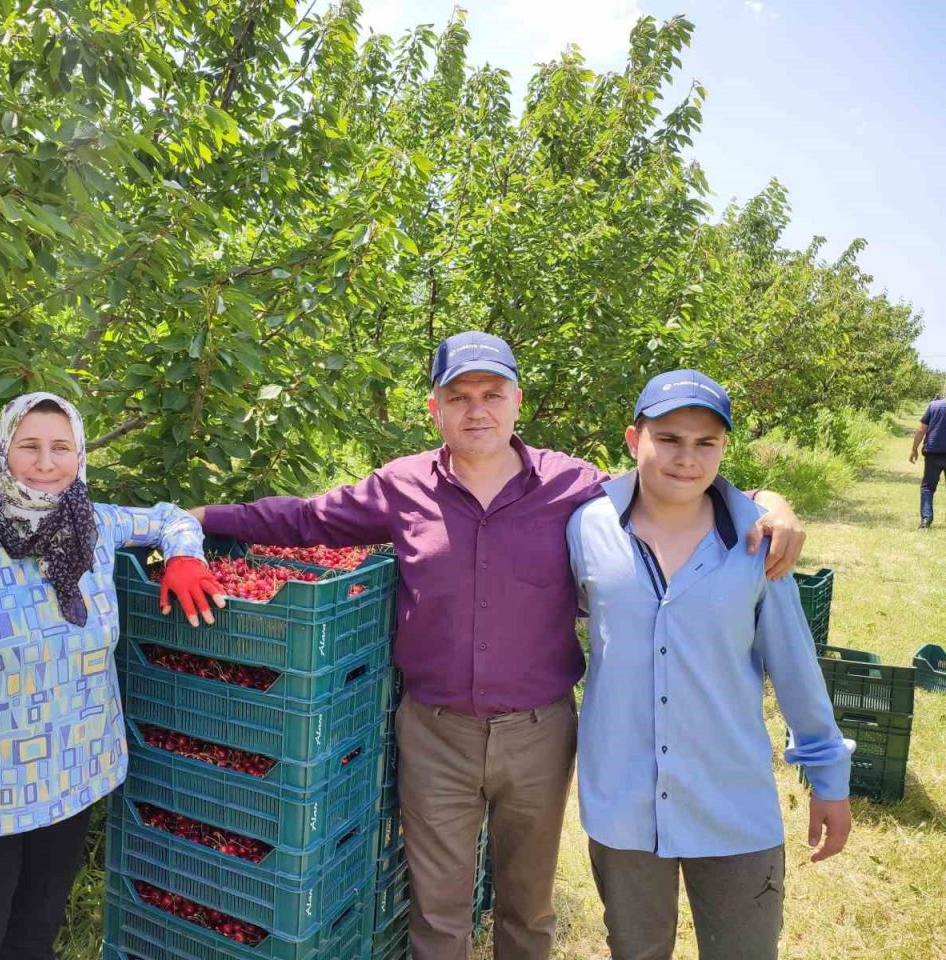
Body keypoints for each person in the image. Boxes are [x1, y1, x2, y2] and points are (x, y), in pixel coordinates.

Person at [187, 332, 806, 960]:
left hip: (539, 733)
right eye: (458, 396)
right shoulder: (403, 486)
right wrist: (200, 519)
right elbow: (306, 519)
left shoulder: (574, 488)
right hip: (435, 734)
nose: (475, 409)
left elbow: (674, 487)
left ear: (516, 402)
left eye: (491, 393)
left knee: (527, 904)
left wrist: (771, 503)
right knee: (439, 909)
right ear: (435, 408)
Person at [0, 392, 223, 960]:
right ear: (3, 451)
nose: (46, 462)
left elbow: (169, 519)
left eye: (62, 447)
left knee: (33, 943)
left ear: (80, 457)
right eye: (29, 446)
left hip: (66, 790)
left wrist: (184, 556)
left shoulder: (93, 527)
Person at [565, 370, 851, 960]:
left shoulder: (758, 541)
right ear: (632, 439)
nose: (687, 459)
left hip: (732, 802)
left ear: (724, 448)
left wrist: (828, 776)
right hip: (623, 805)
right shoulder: (587, 528)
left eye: (706, 443)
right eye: (669, 439)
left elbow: (794, 665)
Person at [910, 386, 946, 529]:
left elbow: (921, 430)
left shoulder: (933, 406)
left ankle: (926, 520)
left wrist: (914, 449)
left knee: (927, 487)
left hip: (933, 453)